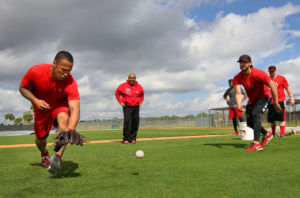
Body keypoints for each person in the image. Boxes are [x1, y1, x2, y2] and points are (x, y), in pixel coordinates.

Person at [19, 51, 80, 174]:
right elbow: (23, 88)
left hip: (59, 105)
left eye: (69, 71)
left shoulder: (70, 82)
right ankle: (44, 152)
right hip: (41, 108)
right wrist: (35, 100)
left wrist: (70, 129)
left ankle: (57, 157)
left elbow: (75, 109)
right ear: (54, 64)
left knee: (64, 121)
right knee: (40, 140)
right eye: (63, 70)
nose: (66, 74)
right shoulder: (36, 71)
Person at [233, 55, 282, 151]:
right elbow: (238, 93)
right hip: (252, 100)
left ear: (250, 63)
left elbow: (272, 86)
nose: (242, 64)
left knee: (256, 114)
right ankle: (267, 134)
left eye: (245, 62)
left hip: (264, 97)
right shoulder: (237, 77)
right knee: (249, 122)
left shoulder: (259, 74)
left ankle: (256, 143)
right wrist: (239, 104)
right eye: (241, 62)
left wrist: (276, 102)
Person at [115, 73, 144, 144]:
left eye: (133, 78)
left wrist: (140, 101)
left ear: (135, 79)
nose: (132, 79)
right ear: (128, 78)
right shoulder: (123, 86)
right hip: (127, 106)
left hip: (136, 107)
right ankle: (126, 139)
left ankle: (133, 138)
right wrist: (121, 102)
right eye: (130, 78)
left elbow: (142, 94)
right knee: (127, 122)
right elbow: (117, 93)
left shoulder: (139, 86)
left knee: (135, 122)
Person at [267, 66, 295, 138]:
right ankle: (273, 133)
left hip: (281, 100)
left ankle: (282, 134)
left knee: (281, 118)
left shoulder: (282, 78)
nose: (272, 72)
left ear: (276, 70)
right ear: (268, 71)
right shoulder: (267, 79)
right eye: (270, 71)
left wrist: (291, 98)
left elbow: (287, 88)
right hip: (271, 101)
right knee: (272, 119)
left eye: (273, 71)